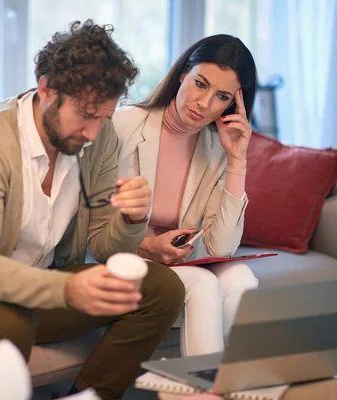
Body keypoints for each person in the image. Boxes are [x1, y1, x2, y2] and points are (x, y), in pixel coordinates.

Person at [0, 20, 185, 400]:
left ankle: (88, 396)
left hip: (39, 284)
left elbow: (106, 247)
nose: (94, 133)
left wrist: (133, 220)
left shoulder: (99, 141)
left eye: (104, 117)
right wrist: (69, 288)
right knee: (8, 322)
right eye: (86, 114)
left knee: (161, 288)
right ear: (47, 89)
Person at [114, 34, 260, 357]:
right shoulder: (122, 126)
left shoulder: (219, 150)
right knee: (203, 284)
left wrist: (237, 160)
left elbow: (222, 247)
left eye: (221, 96)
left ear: (233, 105)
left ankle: (238, 388)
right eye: (200, 84)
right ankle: (201, 391)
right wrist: (146, 245)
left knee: (240, 278)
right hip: (125, 256)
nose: (204, 103)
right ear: (183, 73)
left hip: (178, 262)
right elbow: (90, 222)